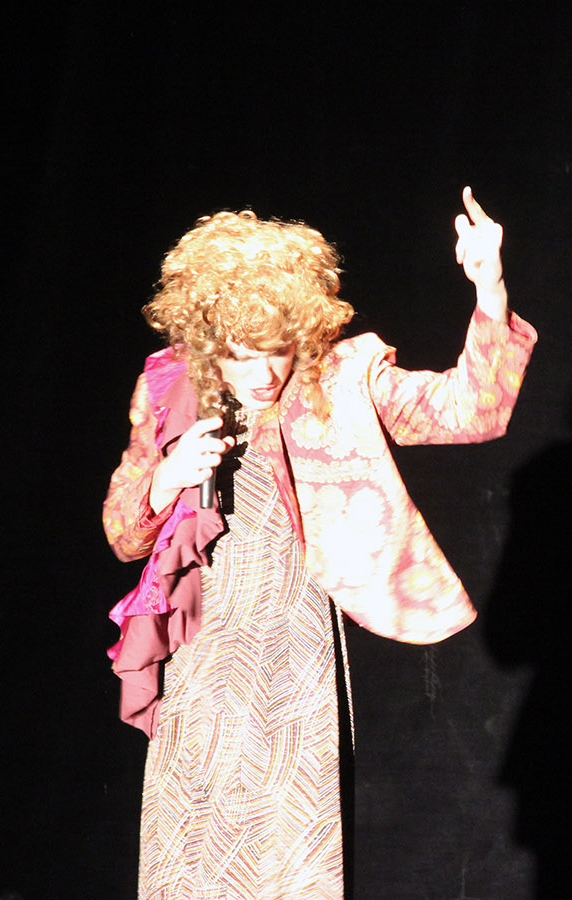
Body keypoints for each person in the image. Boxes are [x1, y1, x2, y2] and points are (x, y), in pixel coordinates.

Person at [102, 188, 536, 899]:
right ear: (207, 344)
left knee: (293, 864)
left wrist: (490, 290)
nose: (264, 374)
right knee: (192, 859)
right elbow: (122, 533)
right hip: (203, 654)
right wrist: (166, 481)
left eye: (278, 351)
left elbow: (473, 410)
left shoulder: (339, 381)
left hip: (295, 653)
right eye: (241, 356)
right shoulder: (168, 390)